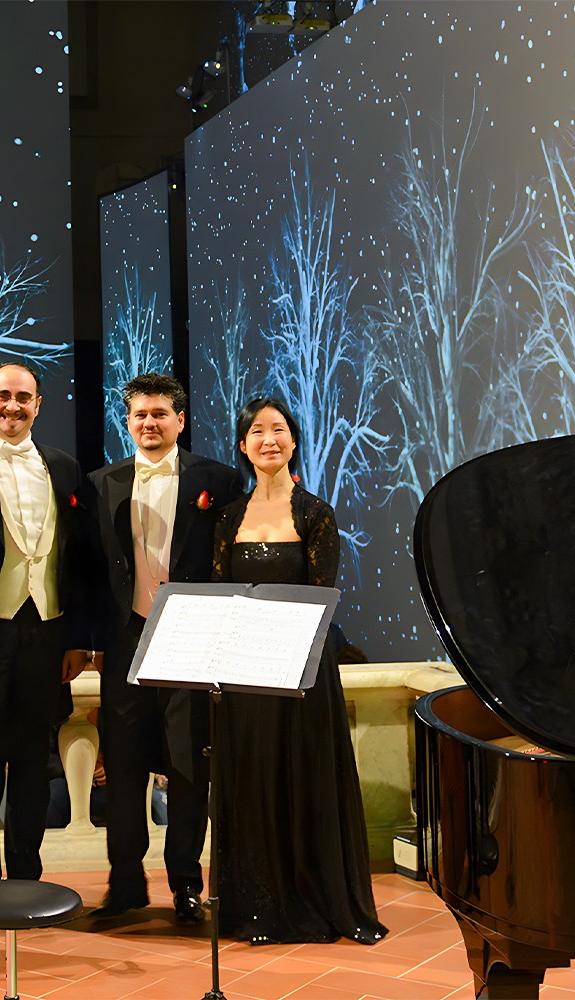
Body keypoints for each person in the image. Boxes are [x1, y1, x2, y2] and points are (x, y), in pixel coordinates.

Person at [209, 397, 387, 946]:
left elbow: (322, 597)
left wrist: (288, 652)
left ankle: (317, 901)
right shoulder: (229, 517)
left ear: (293, 441)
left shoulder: (315, 513)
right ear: (242, 446)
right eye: (257, 431)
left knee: (302, 779)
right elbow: (221, 594)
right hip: (246, 677)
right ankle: (257, 906)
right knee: (252, 779)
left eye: (279, 430)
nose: (269, 439)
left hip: (301, 671)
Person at [85, 372, 242, 924]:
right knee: (124, 764)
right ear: (126, 423)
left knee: (187, 765)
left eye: (159, 414)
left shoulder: (219, 481)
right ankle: (125, 883)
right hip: (126, 638)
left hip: (192, 637)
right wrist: (90, 644)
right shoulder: (102, 482)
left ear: (180, 420)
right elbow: (91, 572)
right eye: (138, 415)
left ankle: (185, 886)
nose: (148, 423)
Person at [0, 360, 90, 881]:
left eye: (23, 397)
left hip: (46, 631)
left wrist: (78, 639)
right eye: (2, 395)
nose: (12, 406)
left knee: (34, 758)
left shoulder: (65, 468)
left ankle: (27, 873)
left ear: (38, 405)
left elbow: (79, 559)